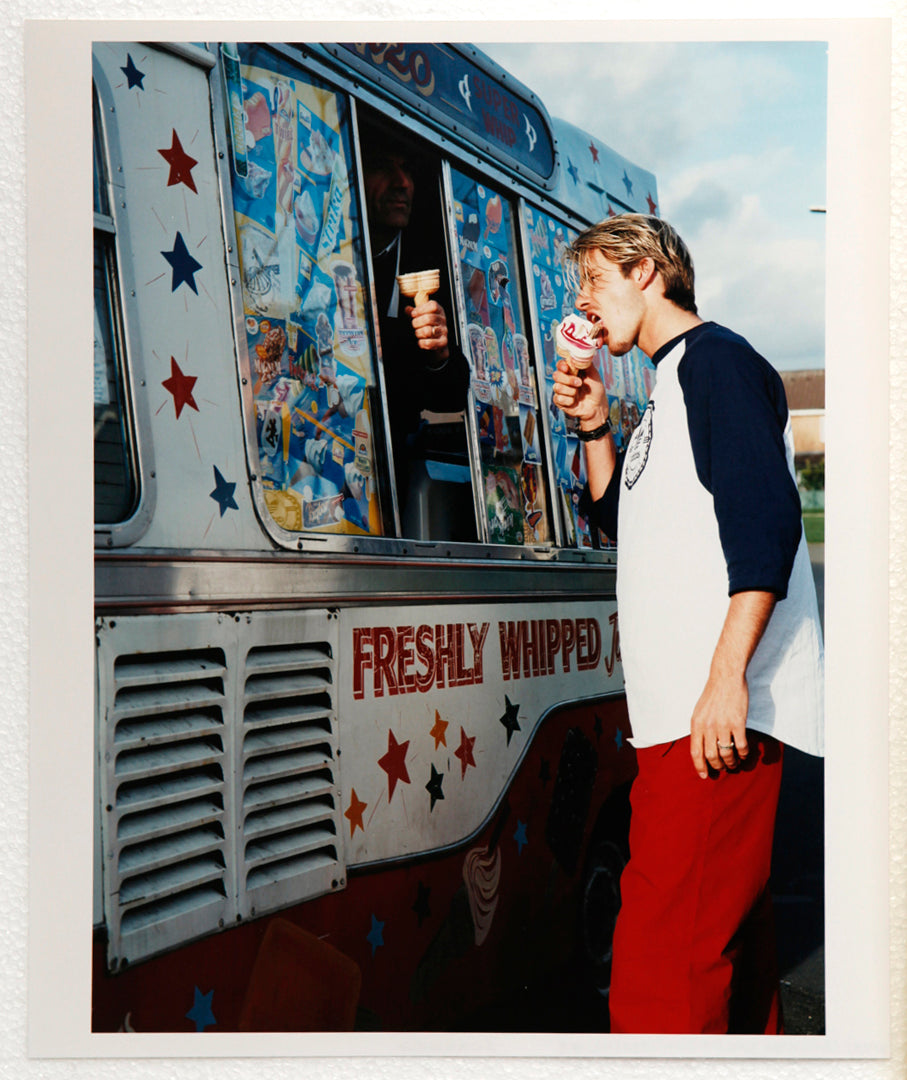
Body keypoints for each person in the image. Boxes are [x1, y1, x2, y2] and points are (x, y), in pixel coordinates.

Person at [551, 214, 824, 1034]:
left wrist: (723, 680)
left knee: (664, 969)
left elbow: (764, 527)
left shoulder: (718, 365)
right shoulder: (666, 386)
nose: (585, 305)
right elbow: (615, 521)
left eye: (594, 282)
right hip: (678, 719)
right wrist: (595, 423)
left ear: (646, 271)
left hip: (711, 719)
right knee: (723, 961)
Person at [360, 125, 471, 518]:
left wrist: (439, 353)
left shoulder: (435, 254)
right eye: (383, 167)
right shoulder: (327, 245)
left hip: (396, 465)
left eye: (407, 169)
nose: (402, 183)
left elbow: (453, 392)